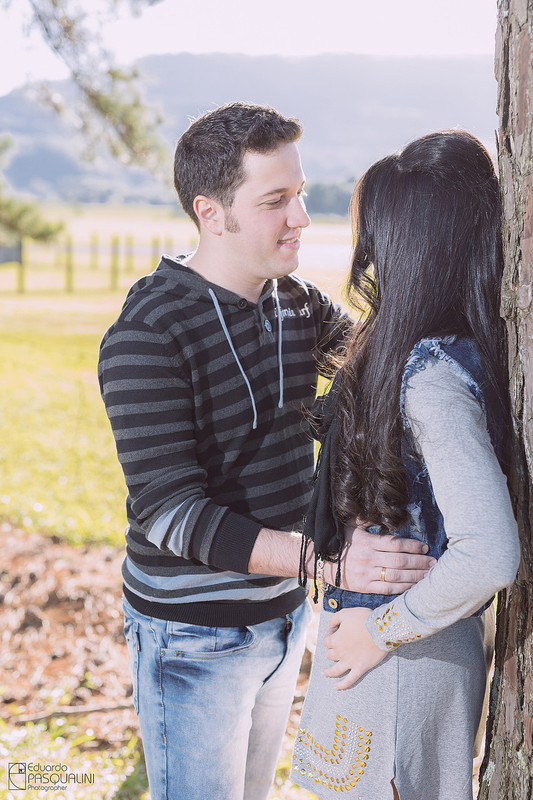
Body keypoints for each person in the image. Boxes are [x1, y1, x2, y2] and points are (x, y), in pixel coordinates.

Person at [98, 102, 434, 800]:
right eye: (276, 200)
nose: (301, 217)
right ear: (211, 213)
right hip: (192, 639)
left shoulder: (297, 304)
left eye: (300, 193)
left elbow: (383, 372)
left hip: (284, 616)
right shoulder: (147, 334)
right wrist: (327, 555)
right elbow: (170, 513)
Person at [292, 130, 521, 800]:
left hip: (396, 659)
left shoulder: (429, 378)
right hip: (387, 653)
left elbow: (487, 553)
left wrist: (376, 632)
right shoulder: (428, 353)